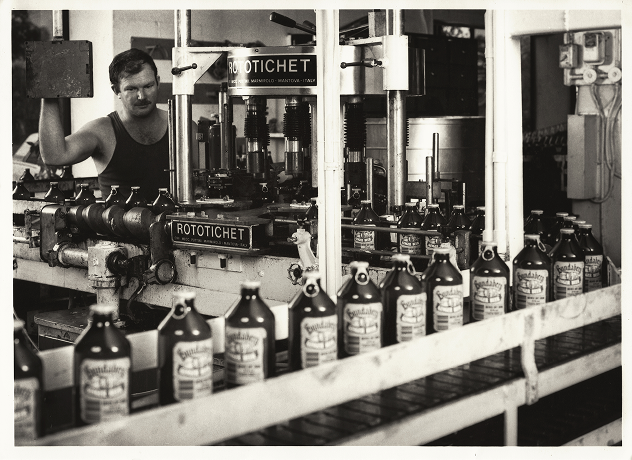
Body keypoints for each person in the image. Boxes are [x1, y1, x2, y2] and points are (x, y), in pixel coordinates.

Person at [39, 48, 197, 202]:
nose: (141, 96)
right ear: (116, 90)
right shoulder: (102, 131)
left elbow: (204, 184)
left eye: (148, 86)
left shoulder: (184, 127)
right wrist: (49, 93)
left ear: (158, 82)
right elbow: (55, 156)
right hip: (118, 221)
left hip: (176, 220)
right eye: (131, 89)